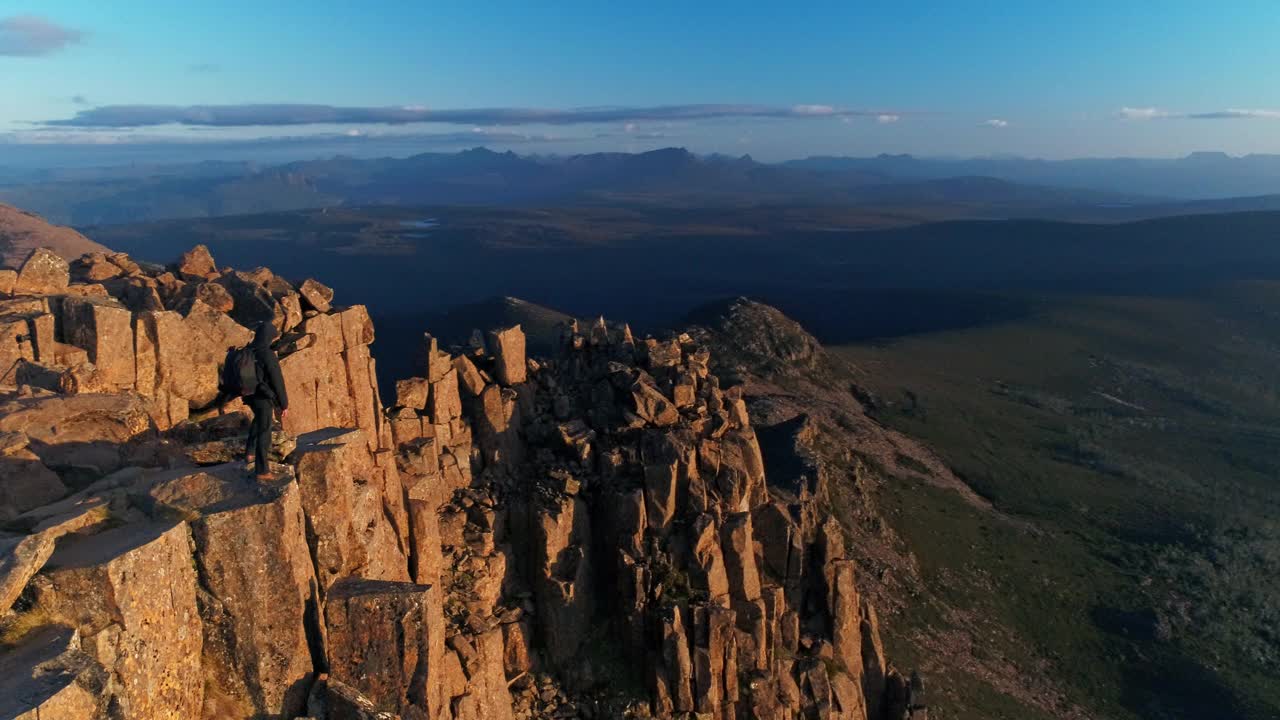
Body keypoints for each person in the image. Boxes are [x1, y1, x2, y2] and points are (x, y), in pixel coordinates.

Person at [240, 322, 289, 480]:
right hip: (262, 397)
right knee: (264, 430)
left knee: (259, 421)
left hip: (249, 396)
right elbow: (277, 381)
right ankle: (262, 471)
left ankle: (250, 453)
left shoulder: (247, 350)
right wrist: (283, 404)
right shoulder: (266, 354)